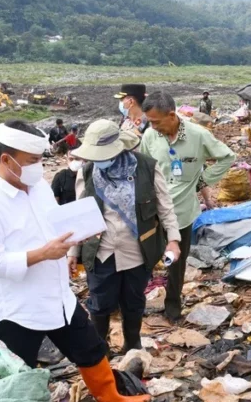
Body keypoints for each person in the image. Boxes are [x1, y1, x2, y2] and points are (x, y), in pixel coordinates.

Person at [0, 120, 149, 402]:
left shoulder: (37, 187)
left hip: (58, 296)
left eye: (40, 160)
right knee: (16, 372)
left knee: (90, 348)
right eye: (31, 161)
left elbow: (53, 224)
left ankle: (110, 398)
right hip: (18, 308)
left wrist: (78, 231)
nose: (38, 167)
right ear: (5, 159)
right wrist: (42, 253)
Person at [72, 120, 182, 352]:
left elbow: (165, 207)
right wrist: (73, 251)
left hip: (137, 251)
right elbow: (79, 216)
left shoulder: (147, 168)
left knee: (133, 303)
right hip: (102, 251)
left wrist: (173, 239)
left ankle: (132, 344)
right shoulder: (87, 172)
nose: (100, 160)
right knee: (100, 304)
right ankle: (99, 350)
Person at [140, 91, 235, 321]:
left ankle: (173, 308)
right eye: (149, 122)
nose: (152, 126)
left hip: (182, 211)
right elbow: (143, 167)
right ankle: (136, 305)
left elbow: (227, 157)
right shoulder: (150, 137)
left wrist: (203, 180)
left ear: (171, 115)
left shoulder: (198, 135)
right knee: (145, 258)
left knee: (175, 263)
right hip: (153, 211)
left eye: (155, 121)